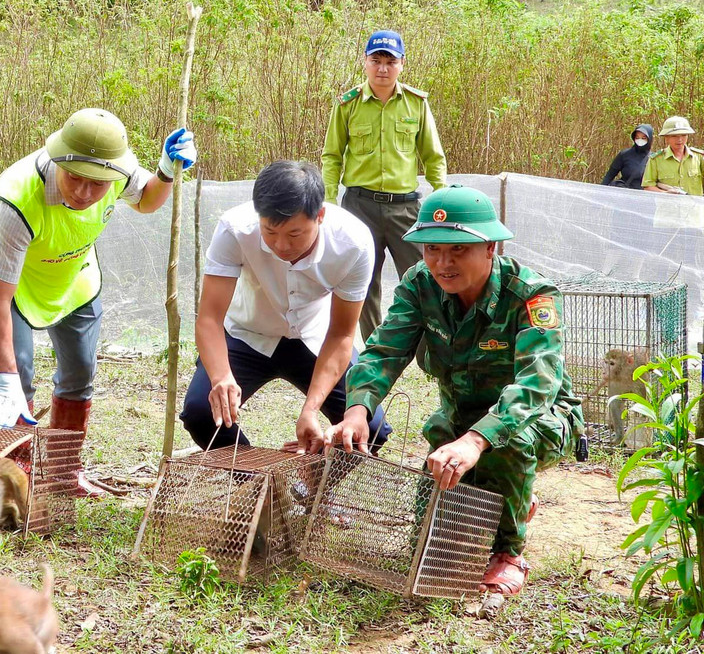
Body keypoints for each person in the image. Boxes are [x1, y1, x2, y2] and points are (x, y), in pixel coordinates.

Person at [325, 185, 583, 597]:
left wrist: (477, 440)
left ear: (490, 247)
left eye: (457, 250)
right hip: (460, 417)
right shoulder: (420, 284)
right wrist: (357, 409)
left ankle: (508, 553)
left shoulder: (531, 294)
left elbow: (537, 384)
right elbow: (384, 351)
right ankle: (500, 500)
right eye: (431, 249)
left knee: (508, 445)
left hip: (540, 418)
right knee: (439, 520)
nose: (442, 263)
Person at [0, 108, 194, 496]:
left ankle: (62, 473)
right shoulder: (18, 199)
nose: (85, 193)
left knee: (81, 371)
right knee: (18, 374)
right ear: (58, 160)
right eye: (75, 178)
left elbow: (147, 201)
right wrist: (5, 380)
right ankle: (18, 481)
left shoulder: (116, 171)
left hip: (74, 275)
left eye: (98, 185)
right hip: (14, 284)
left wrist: (167, 169)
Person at [180, 161, 392, 454]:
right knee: (201, 413)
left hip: (315, 338)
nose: (281, 245)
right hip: (247, 335)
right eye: (269, 232)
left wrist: (310, 409)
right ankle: (261, 485)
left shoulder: (353, 244)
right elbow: (209, 319)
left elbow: (342, 334)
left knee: (369, 427)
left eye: (294, 234)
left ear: (320, 216)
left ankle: (312, 488)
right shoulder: (234, 229)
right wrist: (221, 377)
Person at [321, 30, 447, 344]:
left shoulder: (416, 104)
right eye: (375, 60)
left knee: (423, 278)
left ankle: (430, 347)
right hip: (359, 206)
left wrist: (442, 194)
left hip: (404, 207)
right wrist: (328, 201)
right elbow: (332, 155)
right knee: (362, 282)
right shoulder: (348, 104)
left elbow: (433, 155)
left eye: (390, 62)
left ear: (402, 64)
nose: (382, 69)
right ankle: (376, 350)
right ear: (365, 62)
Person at [642, 116, 703, 196]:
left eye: (683, 135)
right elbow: (648, 186)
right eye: (674, 136)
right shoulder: (656, 160)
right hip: (668, 207)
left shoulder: (699, 157)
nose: (680, 140)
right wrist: (666, 194)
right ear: (666, 138)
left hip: (694, 207)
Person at [601, 124, 653, 189]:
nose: (640, 140)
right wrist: (600, 191)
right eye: (637, 138)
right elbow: (609, 176)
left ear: (649, 139)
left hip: (644, 196)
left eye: (643, 138)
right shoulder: (624, 154)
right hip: (624, 194)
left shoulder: (654, 158)